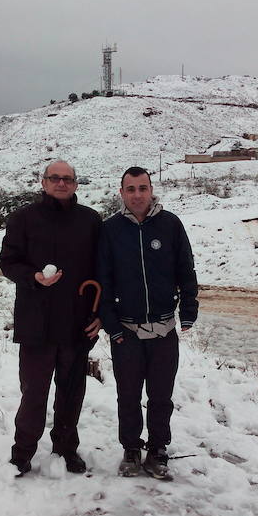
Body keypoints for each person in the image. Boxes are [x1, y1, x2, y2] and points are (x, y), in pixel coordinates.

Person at [0, 160, 102, 476]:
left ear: (75, 184)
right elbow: (8, 262)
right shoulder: (23, 219)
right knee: (34, 393)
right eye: (55, 178)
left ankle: (66, 448)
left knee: (71, 394)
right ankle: (22, 453)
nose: (61, 183)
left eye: (67, 179)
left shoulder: (90, 220)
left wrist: (99, 315)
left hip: (76, 324)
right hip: (36, 324)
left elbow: (101, 272)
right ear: (43, 182)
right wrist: (33, 276)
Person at [97, 166, 198, 480]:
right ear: (122, 193)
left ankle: (157, 449)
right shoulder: (110, 229)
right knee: (127, 395)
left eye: (143, 188)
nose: (137, 195)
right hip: (126, 332)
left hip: (164, 330)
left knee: (160, 396)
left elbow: (186, 269)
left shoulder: (170, 225)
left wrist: (189, 310)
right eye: (131, 189)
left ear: (151, 189)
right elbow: (103, 280)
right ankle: (130, 448)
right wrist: (112, 326)